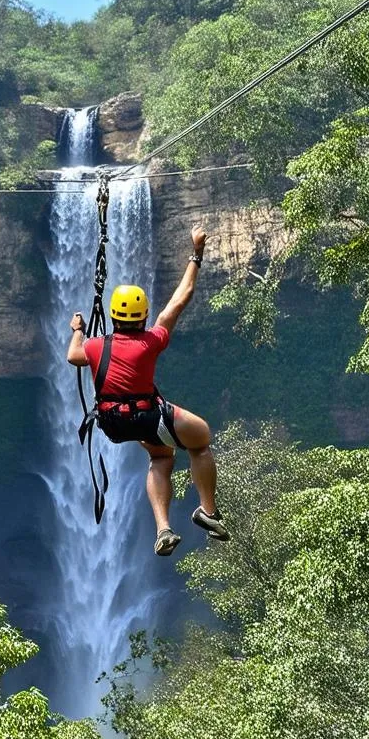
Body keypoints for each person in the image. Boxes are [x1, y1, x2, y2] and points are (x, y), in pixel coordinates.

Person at [66, 225, 229, 556]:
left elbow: (73, 356)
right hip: (147, 416)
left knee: (160, 455)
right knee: (200, 438)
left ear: (113, 315)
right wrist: (196, 253)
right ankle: (207, 511)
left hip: (113, 424)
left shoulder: (96, 346)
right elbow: (180, 299)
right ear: (142, 317)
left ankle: (163, 529)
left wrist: (78, 330)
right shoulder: (151, 341)